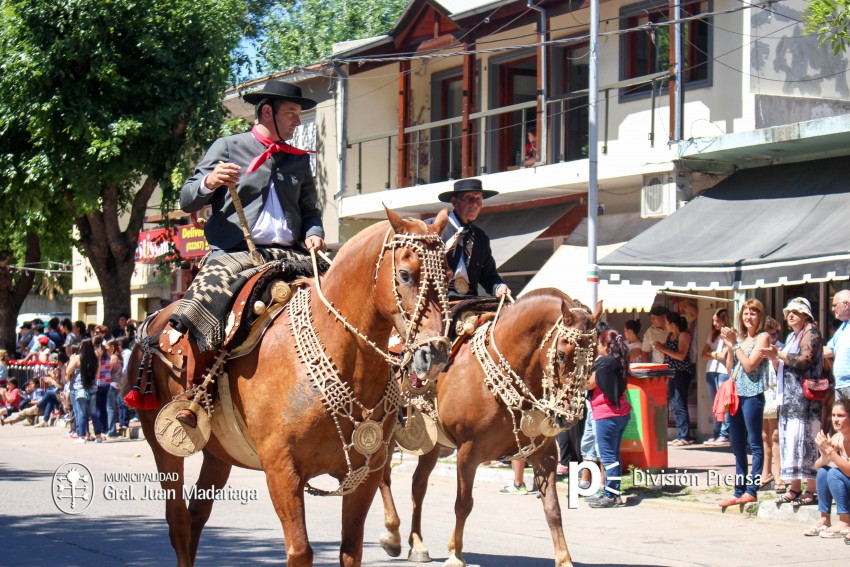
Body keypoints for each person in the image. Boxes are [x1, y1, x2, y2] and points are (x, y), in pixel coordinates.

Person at [169, 79, 325, 427]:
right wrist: (209, 183)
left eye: (299, 115)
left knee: (342, 299)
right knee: (202, 302)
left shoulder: (298, 162)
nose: (297, 122)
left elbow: (311, 211)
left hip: (291, 255)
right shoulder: (227, 147)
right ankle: (193, 393)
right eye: (292, 114)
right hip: (235, 253)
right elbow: (187, 197)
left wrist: (315, 234)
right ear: (267, 111)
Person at [763, 297, 823, 506]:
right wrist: (774, 358)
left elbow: (804, 361)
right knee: (791, 442)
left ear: (805, 314)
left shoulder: (811, 332)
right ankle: (794, 488)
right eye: (788, 312)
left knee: (806, 441)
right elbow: (785, 366)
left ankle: (811, 490)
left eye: (795, 312)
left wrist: (779, 354)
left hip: (805, 401)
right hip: (790, 399)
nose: (790, 315)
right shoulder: (792, 336)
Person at [718, 298, 769, 507]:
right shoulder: (741, 339)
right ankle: (738, 490)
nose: (749, 317)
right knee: (737, 444)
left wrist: (736, 345)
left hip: (753, 394)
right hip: (736, 395)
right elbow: (732, 368)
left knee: (755, 443)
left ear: (760, 316)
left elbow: (749, 366)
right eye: (746, 313)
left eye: (753, 313)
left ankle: (752, 489)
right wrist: (730, 347)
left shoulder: (762, 337)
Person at [436, 178, 508, 298]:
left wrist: (499, 287)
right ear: (454, 202)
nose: (474, 204)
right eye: (469, 199)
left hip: (470, 300)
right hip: (439, 300)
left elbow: (489, 276)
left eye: (478, 199)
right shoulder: (434, 229)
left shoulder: (480, 238)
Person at [586, 329, 631, 508]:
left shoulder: (604, 363)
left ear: (605, 345)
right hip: (621, 413)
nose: (597, 346)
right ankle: (614, 493)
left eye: (598, 343)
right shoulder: (620, 360)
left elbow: (589, 383)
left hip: (606, 414)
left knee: (608, 457)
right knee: (614, 455)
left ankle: (611, 495)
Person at [804, 397, 850, 538]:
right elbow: (818, 467)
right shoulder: (837, 437)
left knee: (833, 474)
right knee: (824, 472)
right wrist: (825, 454)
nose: (836, 420)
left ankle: (845, 521)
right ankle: (825, 518)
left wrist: (830, 451)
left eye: (841, 416)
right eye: (834, 415)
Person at [654, 312, 694, 446]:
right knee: (675, 403)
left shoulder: (684, 335)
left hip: (682, 372)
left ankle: (685, 435)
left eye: (666, 322)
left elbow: (681, 355)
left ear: (673, 324)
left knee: (680, 402)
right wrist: (662, 350)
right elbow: (668, 354)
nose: (665, 325)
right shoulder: (670, 336)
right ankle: (681, 433)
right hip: (671, 372)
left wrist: (663, 349)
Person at [760, 316, 784, 490]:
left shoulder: (780, 347)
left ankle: (779, 476)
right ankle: (765, 472)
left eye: (774, 334)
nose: (772, 338)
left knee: (775, 435)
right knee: (764, 435)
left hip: (776, 391)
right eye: (769, 334)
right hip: (762, 390)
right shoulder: (758, 348)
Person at [702, 308, 731, 447]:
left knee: (724, 403)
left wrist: (712, 353)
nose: (715, 324)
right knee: (715, 404)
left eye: (717, 321)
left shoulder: (728, 334)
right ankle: (716, 433)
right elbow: (703, 354)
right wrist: (715, 354)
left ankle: (724, 434)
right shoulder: (712, 335)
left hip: (723, 371)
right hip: (711, 370)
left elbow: (723, 356)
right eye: (713, 321)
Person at [67, 338, 101, 443]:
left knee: (81, 413)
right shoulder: (96, 358)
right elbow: (98, 374)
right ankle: (99, 436)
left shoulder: (78, 358)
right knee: (93, 412)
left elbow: (68, 371)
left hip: (80, 388)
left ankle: (81, 436)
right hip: (92, 388)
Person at [825, 289, 850, 401]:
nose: (832, 309)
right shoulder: (842, 328)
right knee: (841, 418)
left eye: (835, 305)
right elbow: (829, 350)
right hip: (840, 385)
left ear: (847, 304)